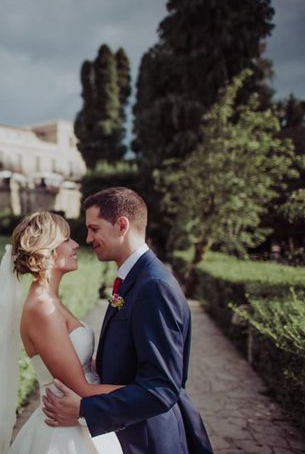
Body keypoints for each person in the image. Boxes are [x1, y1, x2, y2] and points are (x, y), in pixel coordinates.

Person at [42, 187, 213, 454]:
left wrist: (84, 409)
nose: (88, 238)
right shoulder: (134, 278)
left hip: (147, 438)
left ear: (122, 225)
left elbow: (161, 387)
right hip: (129, 430)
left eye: (94, 228)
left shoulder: (153, 286)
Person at [0, 211, 123, 454]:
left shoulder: (49, 300)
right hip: (63, 435)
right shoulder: (41, 308)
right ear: (47, 250)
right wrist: (147, 390)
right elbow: (81, 389)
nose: (75, 245)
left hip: (79, 423)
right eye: (66, 240)